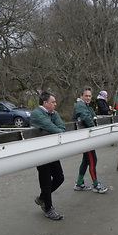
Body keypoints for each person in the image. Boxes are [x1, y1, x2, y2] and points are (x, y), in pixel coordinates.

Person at [30, 91, 65, 220]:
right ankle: (48, 208)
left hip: (51, 149)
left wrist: (55, 130)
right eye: (53, 102)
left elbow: (61, 128)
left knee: (59, 177)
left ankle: (42, 198)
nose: (55, 104)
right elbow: (53, 128)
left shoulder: (53, 113)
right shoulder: (37, 114)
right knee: (45, 180)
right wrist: (54, 130)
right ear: (45, 103)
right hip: (39, 151)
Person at [73, 87, 108, 193]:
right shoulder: (80, 105)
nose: (88, 98)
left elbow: (93, 116)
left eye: (89, 96)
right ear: (81, 96)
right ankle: (96, 184)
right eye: (86, 96)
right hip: (84, 137)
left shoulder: (86, 106)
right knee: (92, 159)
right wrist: (96, 129)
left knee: (86, 160)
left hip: (86, 136)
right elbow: (86, 118)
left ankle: (79, 183)